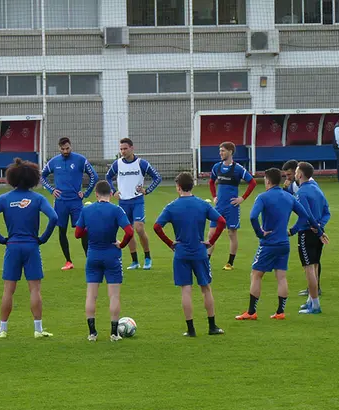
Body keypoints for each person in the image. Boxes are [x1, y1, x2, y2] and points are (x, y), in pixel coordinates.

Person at [235, 168, 325, 321]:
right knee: (281, 277)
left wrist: (259, 232)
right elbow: (304, 215)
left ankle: (251, 312)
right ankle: (280, 312)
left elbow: (252, 217)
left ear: (268, 180)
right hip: (284, 242)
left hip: (268, 243)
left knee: (256, 275)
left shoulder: (263, 197)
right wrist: (294, 230)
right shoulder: (289, 197)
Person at [0, 158, 58, 339]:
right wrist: (43, 238)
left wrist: (1, 238)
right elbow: (54, 217)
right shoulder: (38, 198)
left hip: (13, 246)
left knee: (8, 289)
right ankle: (38, 330)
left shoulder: (4, 199)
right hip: (31, 246)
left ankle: (3, 329)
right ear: (33, 178)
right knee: (35, 289)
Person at [154, 172, 227, 337]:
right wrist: (211, 241)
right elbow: (221, 221)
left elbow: (157, 227)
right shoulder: (202, 204)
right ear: (192, 186)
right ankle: (212, 326)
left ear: (178, 187)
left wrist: (170, 243)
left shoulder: (171, 207)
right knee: (206, 288)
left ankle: (191, 329)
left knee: (186, 290)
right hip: (200, 252)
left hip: (181, 253)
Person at [74, 180, 134, 341]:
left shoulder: (87, 210)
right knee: (114, 296)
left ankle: (92, 333)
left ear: (96, 194)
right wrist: (121, 244)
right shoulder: (116, 210)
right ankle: (114, 333)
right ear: (110, 195)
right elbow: (129, 231)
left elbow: (77, 234)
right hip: (112, 255)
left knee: (91, 295)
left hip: (93, 255)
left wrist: (89, 228)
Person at [41, 137, 98, 271]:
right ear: (59, 148)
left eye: (67, 148)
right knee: (62, 231)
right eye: (63, 149)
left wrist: (86, 193)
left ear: (71, 146)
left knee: (82, 231)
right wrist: (51, 190)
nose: (65, 151)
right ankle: (68, 261)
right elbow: (42, 176)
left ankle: (89, 260)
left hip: (76, 202)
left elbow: (94, 176)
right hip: (60, 202)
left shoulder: (80, 160)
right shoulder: (54, 162)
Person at [106, 138, 162, 270]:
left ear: (132, 148)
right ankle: (135, 261)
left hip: (137, 200)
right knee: (129, 232)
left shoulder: (141, 163)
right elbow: (108, 177)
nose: (123, 151)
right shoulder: (117, 164)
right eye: (121, 149)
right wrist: (113, 191)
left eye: (125, 148)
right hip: (123, 202)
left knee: (139, 228)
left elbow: (157, 177)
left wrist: (147, 190)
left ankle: (147, 258)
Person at [288, 162, 331, 314]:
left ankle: (315, 305)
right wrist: (320, 226)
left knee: (309, 268)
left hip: (307, 234)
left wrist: (294, 231)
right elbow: (327, 211)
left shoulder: (301, 193)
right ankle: (310, 301)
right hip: (318, 231)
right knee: (315, 264)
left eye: (296, 171)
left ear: (300, 174)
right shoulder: (317, 189)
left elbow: (305, 215)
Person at [207, 141, 256, 270]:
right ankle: (206, 260)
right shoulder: (216, 167)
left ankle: (230, 262)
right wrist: (214, 196)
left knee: (231, 233)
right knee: (211, 234)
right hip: (219, 207)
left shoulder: (238, 169)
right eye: (220, 151)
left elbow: (252, 183)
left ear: (230, 152)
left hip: (232, 207)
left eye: (223, 151)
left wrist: (242, 198)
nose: (220, 153)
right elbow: (211, 182)